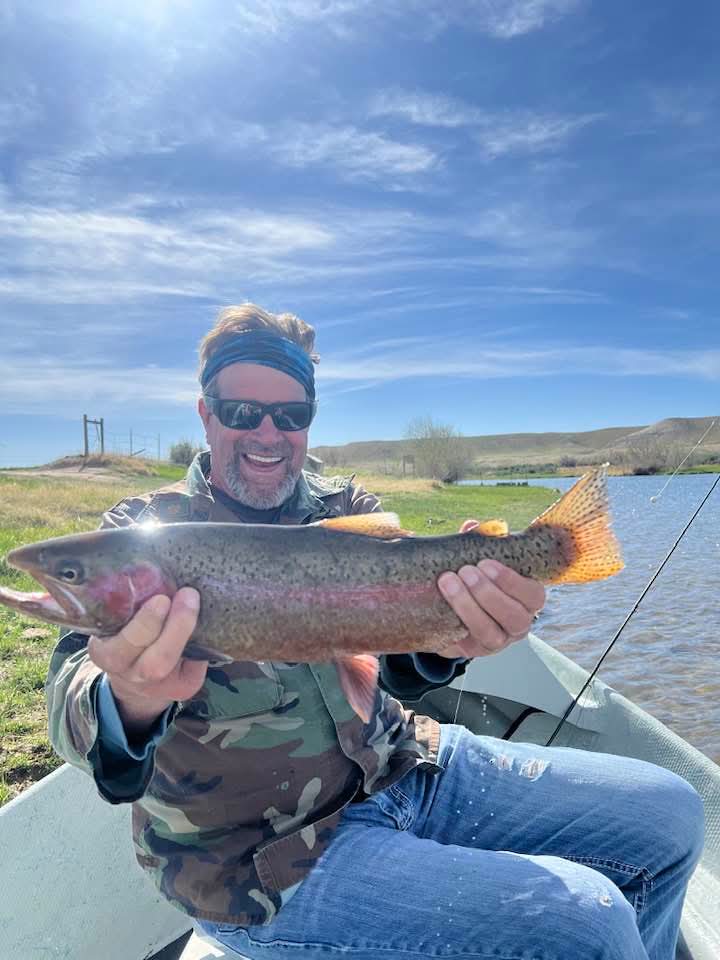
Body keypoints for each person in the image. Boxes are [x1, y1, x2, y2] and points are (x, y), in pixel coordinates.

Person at [46, 304, 704, 960]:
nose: (268, 433)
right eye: (242, 411)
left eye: (291, 414)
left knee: (670, 814)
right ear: (205, 414)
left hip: (403, 763)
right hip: (261, 865)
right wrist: (130, 697)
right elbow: (71, 709)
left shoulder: (344, 507)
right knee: (588, 924)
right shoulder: (140, 538)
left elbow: (396, 660)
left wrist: (451, 639)